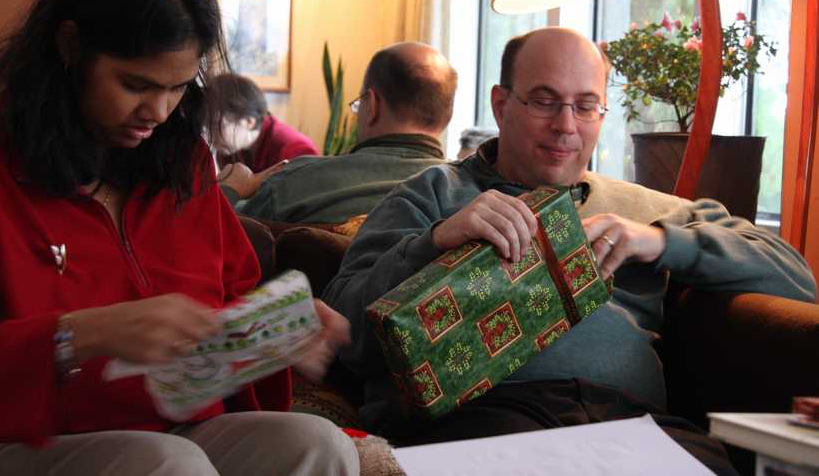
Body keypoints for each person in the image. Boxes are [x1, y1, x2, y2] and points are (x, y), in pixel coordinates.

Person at [0, 0, 358, 476]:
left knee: (317, 444)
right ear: (70, 45)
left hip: (171, 429)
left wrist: (276, 329)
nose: (159, 111)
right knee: (166, 464)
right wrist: (76, 335)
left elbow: (231, 303)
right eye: (135, 85)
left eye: (178, 88)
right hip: (10, 443)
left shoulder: (184, 163)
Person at [323, 27, 816, 475]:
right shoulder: (433, 195)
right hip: (487, 422)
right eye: (544, 101)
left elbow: (798, 281)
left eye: (586, 106)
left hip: (636, 427)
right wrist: (434, 243)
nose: (566, 125)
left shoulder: (648, 209)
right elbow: (342, 333)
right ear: (501, 105)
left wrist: (662, 241)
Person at [226, 41, 458, 225]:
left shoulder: (293, 183)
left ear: (372, 106)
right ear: (447, 115)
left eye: (359, 102)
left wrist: (229, 190)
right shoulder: (468, 198)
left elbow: (226, 235)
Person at [210, 72, 319, 176]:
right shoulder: (229, 148)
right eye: (207, 125)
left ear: (249, 122)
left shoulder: (296, 150)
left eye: (216, 125)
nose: (210, 135)